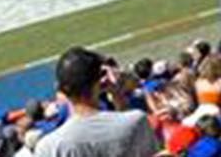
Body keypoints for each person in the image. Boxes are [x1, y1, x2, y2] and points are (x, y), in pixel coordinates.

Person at [33, 48, 161, 157]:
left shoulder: (49, 148)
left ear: (59, 88)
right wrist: (116, 93)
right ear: (100, 81)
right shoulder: (136, 121)